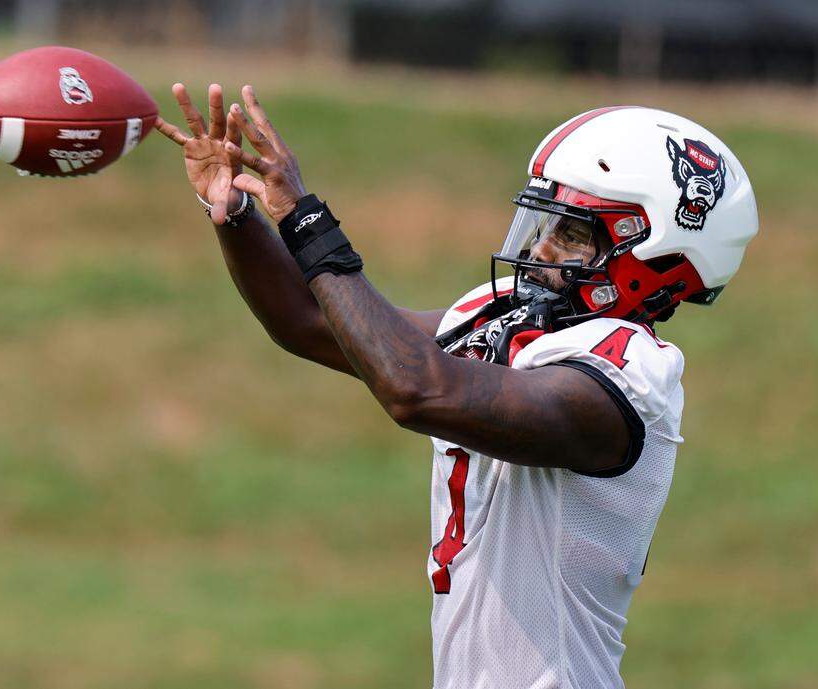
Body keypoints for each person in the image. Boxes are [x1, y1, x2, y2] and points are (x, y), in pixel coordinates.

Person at [156, 84, 758, 689]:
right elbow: (311, 322)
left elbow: (414, 389)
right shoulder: (507, 319)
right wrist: (234, 213)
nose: (541, 247)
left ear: (656, 256)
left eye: (573, 234)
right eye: (547, 223)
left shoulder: (630, 373)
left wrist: (308, 222)